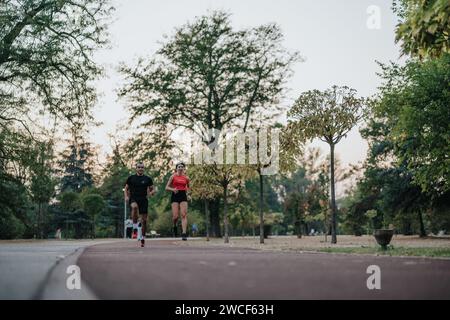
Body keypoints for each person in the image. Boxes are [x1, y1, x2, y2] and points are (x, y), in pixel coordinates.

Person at [124, 162, 155, 247]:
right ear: (136, 168)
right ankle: (134, 228)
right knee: (134, 207)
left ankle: (142, 237)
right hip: (134, 198)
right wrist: (126, 196)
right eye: (139, 167)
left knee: (144, 220)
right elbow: (126, 188)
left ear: (144, 168)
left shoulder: (147, 178)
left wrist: (151, 193)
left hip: (144, 199)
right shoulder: (131, 178)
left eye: (142, 167)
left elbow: (153, 189)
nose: (140, 168)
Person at [165, 162, 190, 240]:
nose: (180, 168)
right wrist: (173, 189)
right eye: (179, 167)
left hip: (183, 195)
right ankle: (174, 225)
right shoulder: (173, 176)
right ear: (176, 168)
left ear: (183, 168)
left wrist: (188, 194)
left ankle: (184, 233)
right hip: (175, 195)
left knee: (183, 215)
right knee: (175, 216)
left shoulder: (186, 178)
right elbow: (166, 187)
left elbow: (188, 188)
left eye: (182, 167)